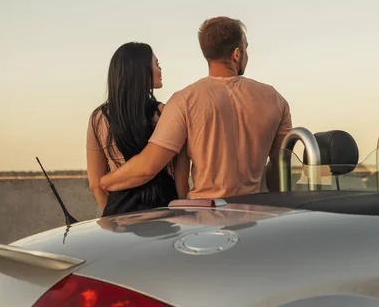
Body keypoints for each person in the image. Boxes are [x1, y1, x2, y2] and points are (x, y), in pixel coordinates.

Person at [99, 16, 292, 199]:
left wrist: (106, 181)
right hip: (255, 214)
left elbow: (147, 167)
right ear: (236, 54)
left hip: (206, 216)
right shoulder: (275, 99)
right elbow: (281, 168)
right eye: (246, 49)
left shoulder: (185, 100)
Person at [87, 42, 178, 216]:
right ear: (141, 71)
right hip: (163, 208)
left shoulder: (98, 118)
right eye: (156, 64)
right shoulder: (165, 113)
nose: (160, 69)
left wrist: (112, 217)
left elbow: (95, 184)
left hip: (118, 211)